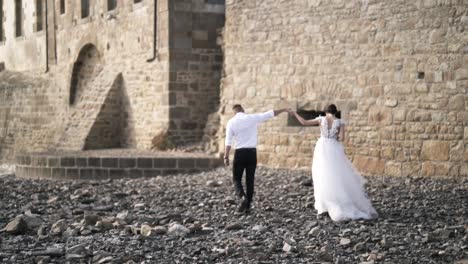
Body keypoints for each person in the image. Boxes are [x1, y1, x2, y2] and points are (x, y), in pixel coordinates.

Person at [290, 104, 378, 221]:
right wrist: (335, 135)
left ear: (326, 111)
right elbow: (342, 138)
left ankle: (324, 206)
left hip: (322, 148)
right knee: (337, 175)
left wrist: (295, 113)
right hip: (334, 148)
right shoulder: (340, 122)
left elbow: (304, 122)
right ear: (335, 112)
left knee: (321, 174)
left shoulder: (321, 119)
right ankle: (339, 200)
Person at [224, 104, 289, 213]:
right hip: (252, 153)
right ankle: (248, 206)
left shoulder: (231, 122)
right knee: (250, 180)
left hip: (239, 153)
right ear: (243, 110)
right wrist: (284, 109)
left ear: (234, 112)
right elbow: (269, 114)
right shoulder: (252, 118)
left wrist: (226, 156)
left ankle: (242, 197)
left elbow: (228, 141)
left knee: (236, 179)